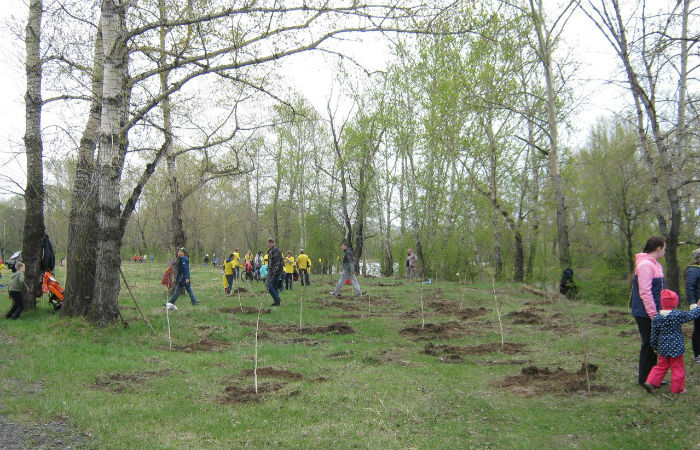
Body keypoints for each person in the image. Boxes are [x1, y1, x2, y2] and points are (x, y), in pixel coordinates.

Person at [643, 289, 700, 394]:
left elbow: (654, 334)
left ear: (662, 303)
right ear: (675, 303)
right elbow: (691, 315)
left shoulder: (657, 317)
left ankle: (651, 382)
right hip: (676, 346)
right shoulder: (677, 315)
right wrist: (698, 307)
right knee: (677, 367)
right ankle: (677, 389)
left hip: (662, 346)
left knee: (661, 366)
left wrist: (655, 347)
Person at [630, 235, 665, 388]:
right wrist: (654, 315)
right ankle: (645, 379)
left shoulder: (655, 264)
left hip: (653, 311)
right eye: (664, 249)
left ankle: (653, 378)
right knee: (649, 344)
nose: (665, 252)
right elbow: (645, 292)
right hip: (644, 312)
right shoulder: (645, 265)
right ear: (658, 248)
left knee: (653, 344)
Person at [684, 248, 700, 363]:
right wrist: (693, 304)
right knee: (698, 329)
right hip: (698, 305)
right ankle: (697, 354)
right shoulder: (693, 270)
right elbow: (690, 288)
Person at [266, 239, 284, 306]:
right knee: (274, 285)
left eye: (268, 243)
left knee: (268, 284)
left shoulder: (275, 250)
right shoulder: (272, 250)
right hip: (276, 270)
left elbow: (276, 262)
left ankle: (277, 299)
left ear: (271, 243)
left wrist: (273, 271)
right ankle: (277, 302)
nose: (267, 244)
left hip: (276, 271)